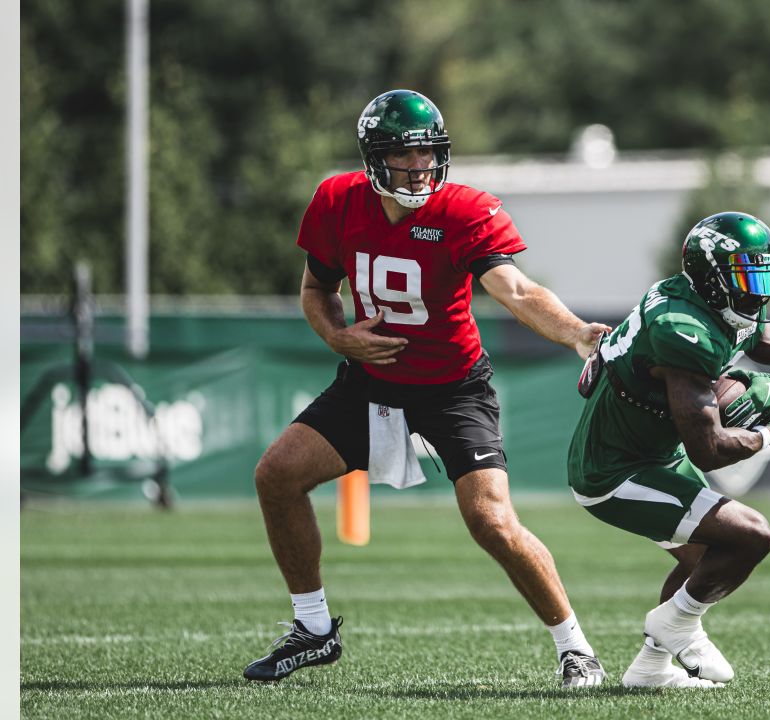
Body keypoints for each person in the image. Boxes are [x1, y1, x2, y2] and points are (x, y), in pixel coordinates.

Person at [243, 89, 612, 688]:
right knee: (275, 475)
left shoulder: (464, 210)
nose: (418, 168)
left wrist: (574, 333)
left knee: (491, 519)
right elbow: (316, 290)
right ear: (372, 158)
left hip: (453, 388)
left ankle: (576, 649)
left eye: (427, 154)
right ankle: (311, 629)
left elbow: (517, 291)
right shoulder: (337, 200)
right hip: (370, 382)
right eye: (402, 156)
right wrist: (338, 337)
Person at [567, 211, 770, 688]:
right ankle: (675, 623)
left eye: (765, 272)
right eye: (748, 274)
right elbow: (708, 450)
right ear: (712, 277)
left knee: (704, 558)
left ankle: (650, 670)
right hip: (614, 472)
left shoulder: (720, 308)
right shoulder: (681, 328)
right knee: (751, 535)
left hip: (656, 455)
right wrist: (767, 434)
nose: (761, 288)